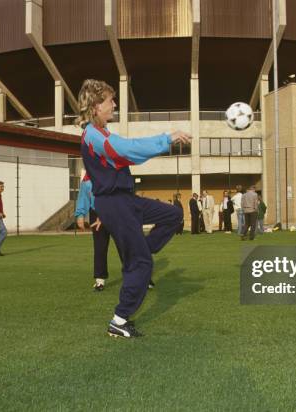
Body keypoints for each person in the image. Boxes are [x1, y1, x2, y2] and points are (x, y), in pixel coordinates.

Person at [78, 79, 190, 338]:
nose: (114, 105)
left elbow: (125, 149)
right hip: (115, 204)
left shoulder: (102, 133)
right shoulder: (93, 135)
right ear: (96, 107)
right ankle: (119, 320)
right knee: (141, 264)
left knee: (173, 214)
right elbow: (128, 150)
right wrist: (167, 138)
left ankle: (142, 247)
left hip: (126, 200)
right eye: (110, 101)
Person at [75, 173, 110, 291]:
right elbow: (83, 196)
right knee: (100, 247)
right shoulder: (87, 178)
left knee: (126, 246)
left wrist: (105, 212)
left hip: (116, 211)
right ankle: (100, 280)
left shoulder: (111, 169)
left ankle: (141, 277)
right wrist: (80, 214)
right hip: (96, 213)